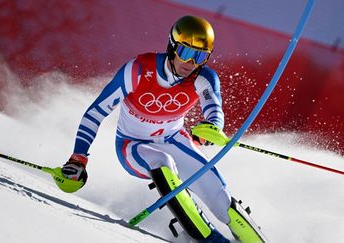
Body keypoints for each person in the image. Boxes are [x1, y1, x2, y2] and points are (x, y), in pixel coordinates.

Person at [61, 15, 266, 242]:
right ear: (171, 46)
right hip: (132, 145)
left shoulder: (204, 78)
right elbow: (95, 113)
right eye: (186, 52)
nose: (190, 63)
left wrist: (211, 128)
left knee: (221, 200)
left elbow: (214, 110)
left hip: (174, 139)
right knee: (162, 164)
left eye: (200, 56)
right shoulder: (137, 71)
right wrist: (78, 158)